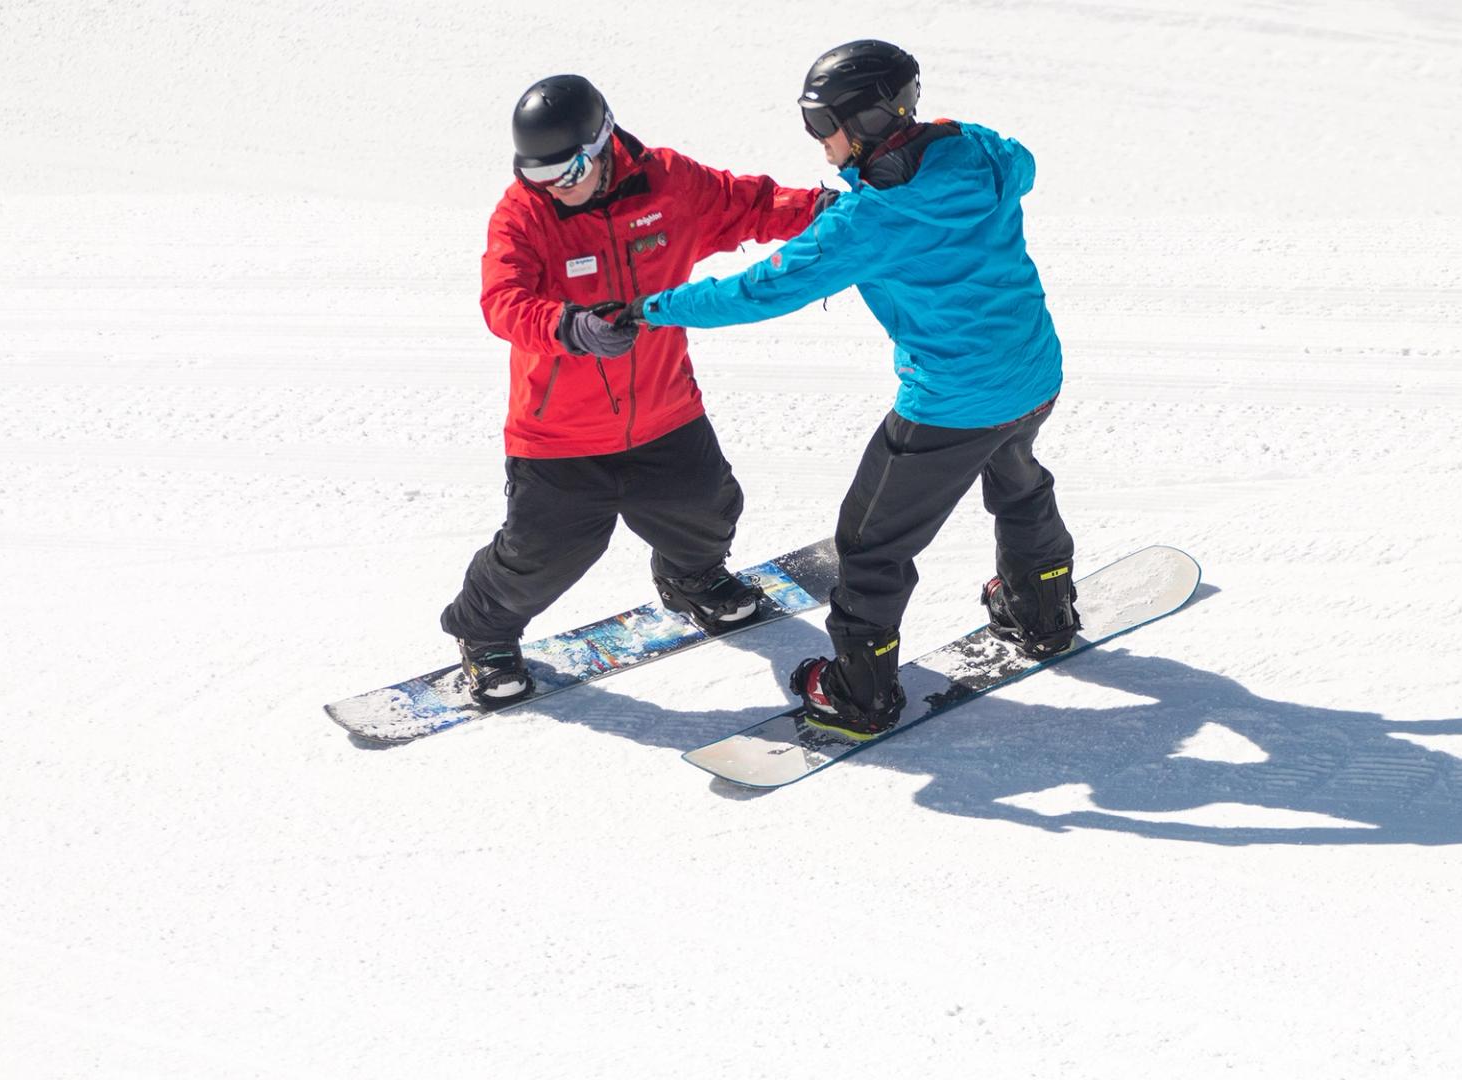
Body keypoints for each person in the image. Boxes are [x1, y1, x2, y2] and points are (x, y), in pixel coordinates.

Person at [622, 41, 1081, 740]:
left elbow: (760, 290)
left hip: (952, 406)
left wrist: (650, 308)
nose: (817, 142)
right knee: (1016, 478)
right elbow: (1024, 163)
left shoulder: (870, 220)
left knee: (869, 544)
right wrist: (937, 138)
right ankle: (1042, 612)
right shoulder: (977, 152)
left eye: (820, 125)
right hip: (1033, 373)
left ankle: (859, 690)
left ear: (866, 119)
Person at [444, 74, 825, 705]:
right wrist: (569, 325)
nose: (552, 190)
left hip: (665, 409)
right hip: (559, 434)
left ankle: (692, 580)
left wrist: (825, 211)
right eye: (536, 176)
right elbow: (502, 301)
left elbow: (750, 203)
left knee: (707, 509)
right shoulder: (525, 214)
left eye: (564, 173)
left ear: (601, 145)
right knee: (543, 556)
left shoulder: (669, 184)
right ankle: (485, 634)